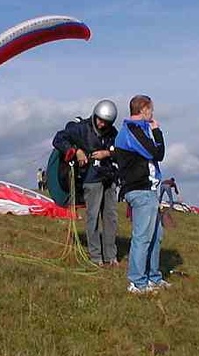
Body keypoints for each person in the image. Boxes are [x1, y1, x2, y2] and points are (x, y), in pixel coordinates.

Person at [53, 99, 119, 267]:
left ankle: (111, 256)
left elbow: (120, 152)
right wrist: (76, 151)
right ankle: (96, 256)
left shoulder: (113, 133)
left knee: (110, 218)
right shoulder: (81, 129)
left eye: (106, 122)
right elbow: (59, 138)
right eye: (99, 119)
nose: (101, 124)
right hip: (91, 179)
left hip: (109, 178)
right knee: (93, 217)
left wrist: (108, 154)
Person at [115, 94, 168, 293]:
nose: (152, 113)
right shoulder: (132, 130)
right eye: (150, 109)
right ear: (143, 109)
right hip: (139, 189)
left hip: (150, 190)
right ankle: (137, 282)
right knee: (142, 237)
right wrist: (157, 132)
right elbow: (156, 154)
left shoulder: (141, 130)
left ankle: (153, 277)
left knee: (155, 236)